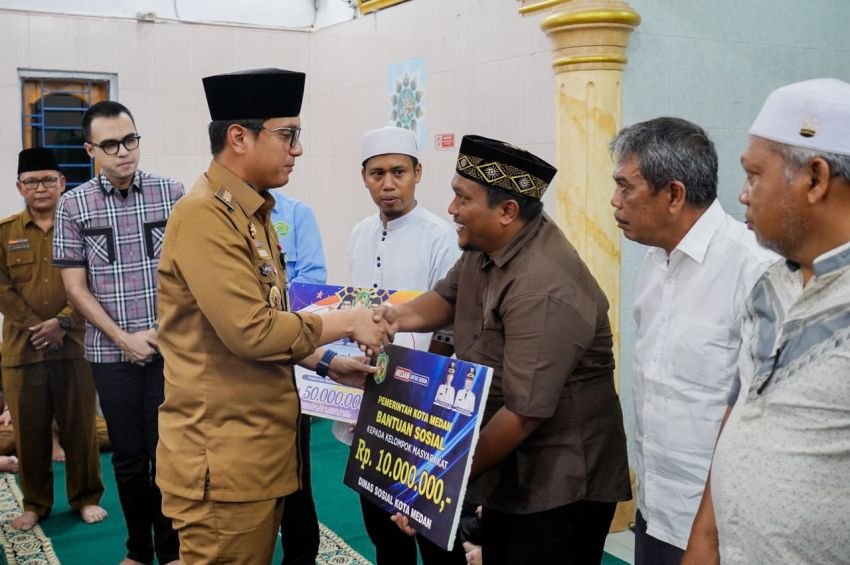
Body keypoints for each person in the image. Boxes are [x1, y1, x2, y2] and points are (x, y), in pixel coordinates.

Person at [155, 68, 391, 564]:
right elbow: (253, 332)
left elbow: (264, 316)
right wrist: (349, 321)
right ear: (239, 137)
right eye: (288, 135)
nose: (297, 149)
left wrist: (325, 361)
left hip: (255, 451)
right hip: (223, 457)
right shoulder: (205, 215)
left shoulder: (251, 212)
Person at [384, 135, 632, 565]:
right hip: (509, 467)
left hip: (561, 483)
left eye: (463, 199)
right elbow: (446, 298)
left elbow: (523, 413)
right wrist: (387, 319)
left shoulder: (543, 286)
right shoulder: (487, 246)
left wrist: (439, 477)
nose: (451, 210)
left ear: (507, 211)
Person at [683, 78, 850, 564]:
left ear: (815, 179)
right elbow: (742, 414)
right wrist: (705, 540)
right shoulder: (769, 285)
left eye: (755, 175)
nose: (743, 195)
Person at [608, 117, 777, 564]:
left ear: (674, 195)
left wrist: (710, 537)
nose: (614, 201)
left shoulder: (754, 269)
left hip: (720, 530)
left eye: (626, 188)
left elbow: (755, 419)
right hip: (655, 508)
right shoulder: (655, 262)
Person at [53, 101, 183, 565]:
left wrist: (160, 332)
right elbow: (75, 286)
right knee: (128, 461)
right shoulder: (74, 204)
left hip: (170, 350)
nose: (124, 151)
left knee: (169, 456)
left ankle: (171, 551)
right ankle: (138, 550)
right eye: (110, 145)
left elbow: (190, 274)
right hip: (110, 356)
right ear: (91, 150)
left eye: (131, 140)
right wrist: (123, 338)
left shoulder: (173, 194)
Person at [346, 125, 463, 565]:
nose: (388, 183)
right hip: (369, 396)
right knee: (382, 528)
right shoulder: (358, 234)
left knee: (432, 533)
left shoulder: (441, 236)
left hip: (422, 404)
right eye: (377, 173)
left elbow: (450, 324)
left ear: (418, 172)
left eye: (398, 171)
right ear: (364, 177)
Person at [0, 148, 105, 531]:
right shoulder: (5, 232)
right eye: (31, 182)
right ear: (19, 187)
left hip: (76, 345)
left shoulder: (84, 227)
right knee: (28, 433)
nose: (39, 188)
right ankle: (35, 504)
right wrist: (37, 327)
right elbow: (3, 288)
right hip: (22, 351)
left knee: (81, 427)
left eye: (47, 180)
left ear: (62, 183)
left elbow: (96, 281)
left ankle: (86, 498)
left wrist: (61, 323)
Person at [270, 191, 328, 563]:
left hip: (290, 362)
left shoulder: (296, 213)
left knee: (296, 472)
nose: (293, 151)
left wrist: (266, 312)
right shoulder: (213, 211)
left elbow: (311, 282)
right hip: (238, 371)